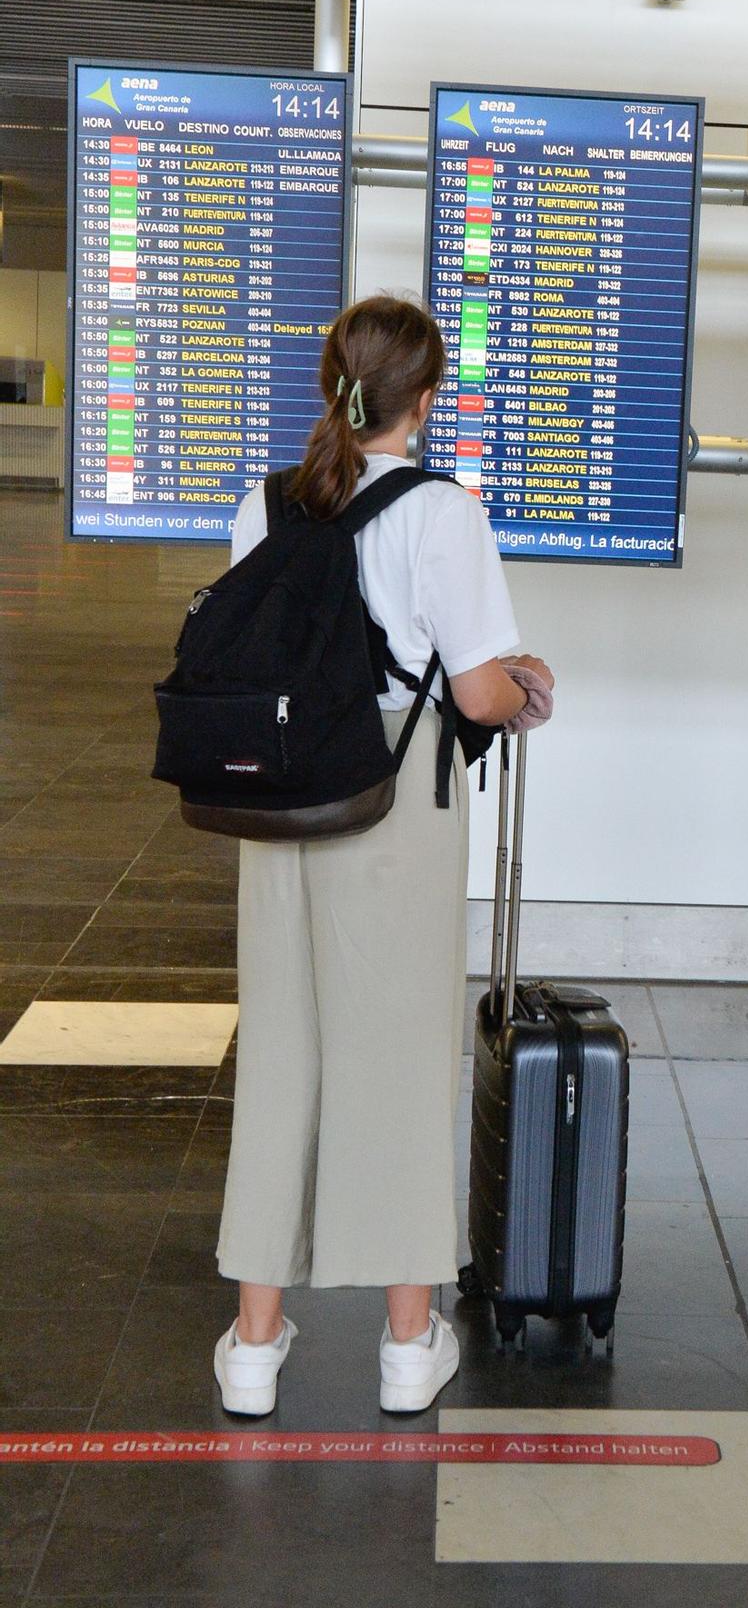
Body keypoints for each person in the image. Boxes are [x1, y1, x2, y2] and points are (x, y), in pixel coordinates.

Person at [211, 294, 553, 1417]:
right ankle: (409, 1344)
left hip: (277, 810)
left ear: (333, 384)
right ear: (426, 396)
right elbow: (471, 686)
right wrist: (527, 686)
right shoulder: (442, 511)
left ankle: (255, 1345)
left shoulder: (264, 504)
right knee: (398, 1055)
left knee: (283, 1051)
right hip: (393, 807)